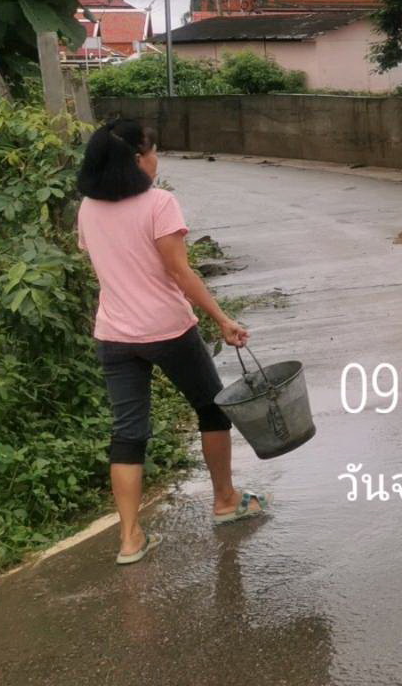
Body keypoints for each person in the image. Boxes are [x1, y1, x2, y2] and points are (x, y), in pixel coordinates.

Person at [75, 118, 264, 566]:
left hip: (114, 335)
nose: (157, 159)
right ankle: (224, 501)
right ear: (137, 160)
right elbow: (179, 273)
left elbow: (101, 262)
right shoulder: (160, 203)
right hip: (168, 331)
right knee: (212, 408)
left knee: (128, 433)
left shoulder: (87, 208)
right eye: (153, 152)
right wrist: (221, 319)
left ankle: (129, 539)